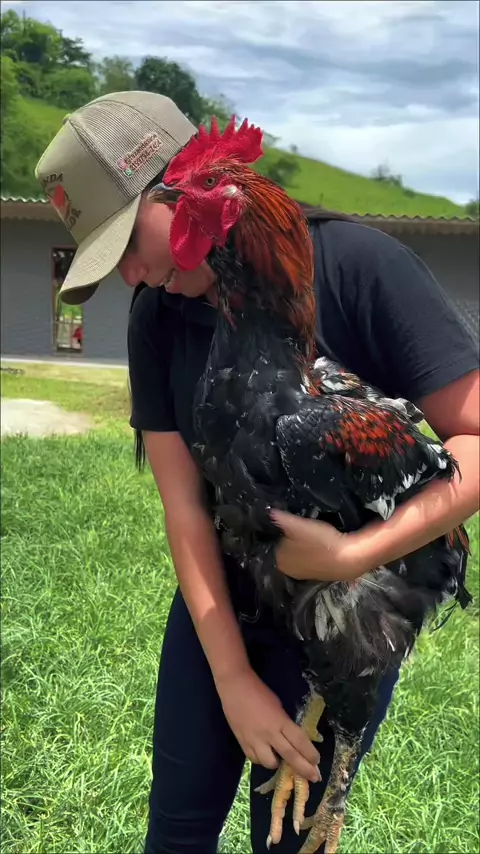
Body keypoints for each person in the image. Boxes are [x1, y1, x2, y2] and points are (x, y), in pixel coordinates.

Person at [36, 91, 480, 854]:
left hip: (349, 618)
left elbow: (473, 438)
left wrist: (352, 554)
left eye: (127, 242)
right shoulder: (159, 316)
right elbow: (185, 507)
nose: (131, 275)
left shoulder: (357, 268)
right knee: (175, 835)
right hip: (224, 605)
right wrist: (233, 679)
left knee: (290, 843)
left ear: (191, 194)